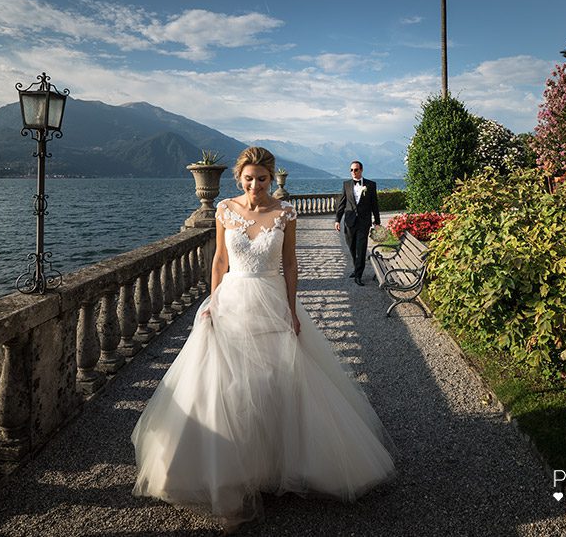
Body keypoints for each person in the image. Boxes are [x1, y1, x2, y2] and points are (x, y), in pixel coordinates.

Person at [132, 146, 396, 531]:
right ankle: (235, 476)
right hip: (233, 301)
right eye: (249, 178)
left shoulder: (285, 213)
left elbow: (290, 264)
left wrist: (292, 310)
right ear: (239, 179)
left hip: (272, 301)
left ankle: (278, 464)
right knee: (230, 387)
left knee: (276, 380)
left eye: (262, 178)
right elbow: (220, 260)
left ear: (271, 179)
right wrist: (213, 300)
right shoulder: (225, 211)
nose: (255, 185)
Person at [334, 160, 381, 285]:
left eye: (356, 170)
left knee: (361, 248)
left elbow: (374, 204)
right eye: (351, 170)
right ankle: (356, 268)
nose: (353, 172)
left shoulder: (371, 185)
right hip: (349, 221)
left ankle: (359, 275)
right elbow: (342, 203)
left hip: (363, 222)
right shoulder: (346, 184)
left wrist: (377, 221)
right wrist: (337, 220)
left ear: (361, 170)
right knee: (351, 247)